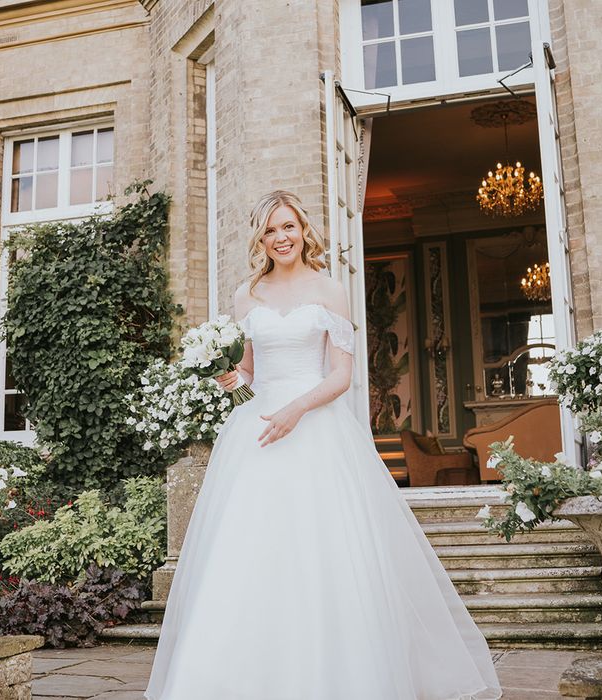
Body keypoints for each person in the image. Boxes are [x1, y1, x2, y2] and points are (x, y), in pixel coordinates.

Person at [143, 190, 503, 700]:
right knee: (249, 553)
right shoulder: (247, 295)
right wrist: (230, 376)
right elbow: (251, 368)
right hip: (260, 433)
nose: (281, 238)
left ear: (303, 230)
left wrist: (297, 409)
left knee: (323, 551)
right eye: (270, 230)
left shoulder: (330, 291)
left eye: (288, 226)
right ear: (260, 239)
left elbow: (341, 376)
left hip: (316, 430)